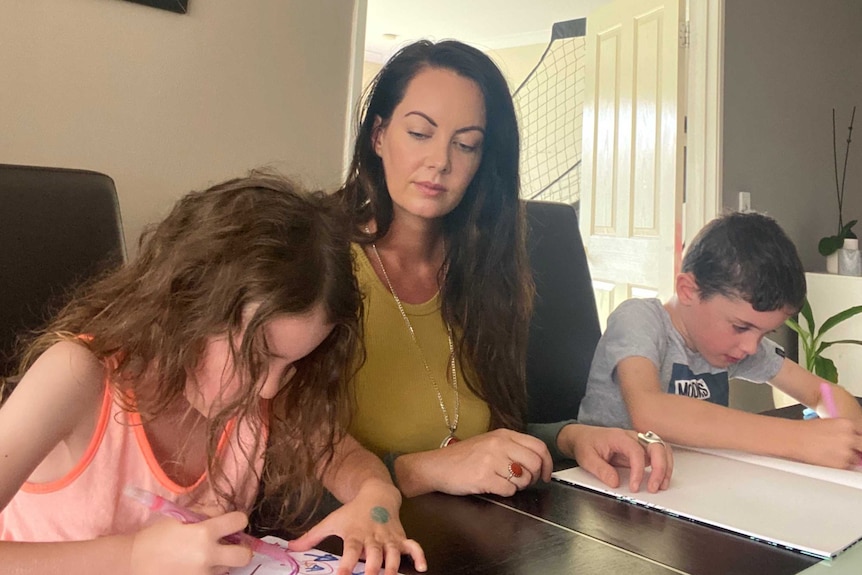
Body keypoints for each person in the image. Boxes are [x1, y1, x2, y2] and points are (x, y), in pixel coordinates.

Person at [0, 173, 426, 575]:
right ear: (188, 307)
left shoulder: (263, 398)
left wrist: (377, 500)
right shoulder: (76, 376)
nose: (270, 387)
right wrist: (133, 556)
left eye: (293, 364)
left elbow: (347, 459)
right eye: (257, 357)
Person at [335, 39, 673, 499]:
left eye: (466, 144)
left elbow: (486, 438)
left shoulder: (484, 271)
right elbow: (278, 461)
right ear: (378, 135)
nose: (441, 161)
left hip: (477, 533)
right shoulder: (320, 261)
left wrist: (569, 437)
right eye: (419, 133)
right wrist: (421, 471)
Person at [578, 211, 862, 469]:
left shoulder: (734, 345)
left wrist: (852, 436)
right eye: (741, 327)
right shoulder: (639, 319)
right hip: (605, 487)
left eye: (764, 333)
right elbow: (650, 412)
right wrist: (798, 439)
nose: (752, 347)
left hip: (691, 481)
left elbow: (820, 393)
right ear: (688, 290)